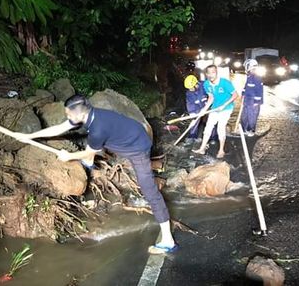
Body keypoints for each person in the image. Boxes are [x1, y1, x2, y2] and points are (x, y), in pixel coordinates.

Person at [15, 95, 177, 254]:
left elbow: (87, 152)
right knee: (92, 152)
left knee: (150, 192)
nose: (67, 117)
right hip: (128, 133)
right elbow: (60, 128)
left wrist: (69, 156)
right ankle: (92, 162)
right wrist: (28, 136)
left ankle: (168, 241)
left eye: (69, 114)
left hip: (138, 147)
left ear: (79, 114)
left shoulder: (98, 128)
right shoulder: (89, 115)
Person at [192, 65, 238, 158]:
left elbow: (235, 95)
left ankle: (221, 150)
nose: (211, 75)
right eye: (209, 73)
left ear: (216, 73)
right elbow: (211, 98)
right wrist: (204, 109)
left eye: (213, 72)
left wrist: (224, 105)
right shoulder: (206, 84)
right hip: (215, 108)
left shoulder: (225, 83)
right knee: (208, 127)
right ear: (206, 74)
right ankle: (202, 148)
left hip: (226, 108)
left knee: (220, 128)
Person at [241, 59, 263, 137]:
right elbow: (246, 86)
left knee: (252, 117)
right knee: (244, 116)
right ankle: (244, 129)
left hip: (253, 102)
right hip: (247, 100)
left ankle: (251, 130)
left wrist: (256, 102)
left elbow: (259, 90)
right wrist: (243, 93)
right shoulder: (249, 76)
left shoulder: (256, 77)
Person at [184, 75, 208, 143]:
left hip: (209, 106)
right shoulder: (189, 93)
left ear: (196, 84)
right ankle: (192, 135)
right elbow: (190, 103)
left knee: (211, 122)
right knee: (194, 121)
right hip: (198, 107)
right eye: (189, 88)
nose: (190, 89)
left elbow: (212, 95)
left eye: (191, 87)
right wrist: (192, 112)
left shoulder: (205, 85)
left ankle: (213, 138)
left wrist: (207, 107)